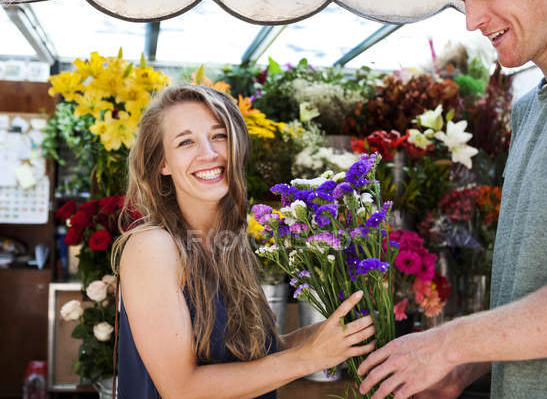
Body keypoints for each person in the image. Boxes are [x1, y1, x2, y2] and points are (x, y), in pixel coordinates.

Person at [356, 0, 547, 398]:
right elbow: (536, 285)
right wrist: (468, 364)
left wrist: (447, 345)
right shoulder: (528, 111)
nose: (471, 19)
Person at [111, 84, 377, 399]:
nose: (208, 153)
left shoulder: (229, 245)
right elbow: (181, 388)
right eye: (186, 142)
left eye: (219, 135)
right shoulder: (153, 246)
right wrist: (309, 358)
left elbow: (256, 359)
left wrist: (330, 334)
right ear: (162, 163)